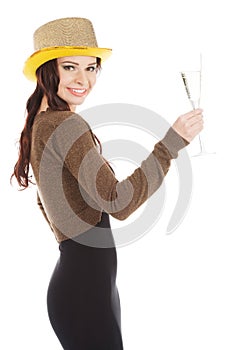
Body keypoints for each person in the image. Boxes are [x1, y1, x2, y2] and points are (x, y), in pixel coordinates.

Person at [12, 17, 203, 350]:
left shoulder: (41, 125)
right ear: (47, 71)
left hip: (86, 287)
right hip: (86, 290)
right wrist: (173, 141)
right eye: (70, 67)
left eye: (92, 68)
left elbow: (56, 207)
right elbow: (119, 201)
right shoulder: (64, 124)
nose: (83, 79)